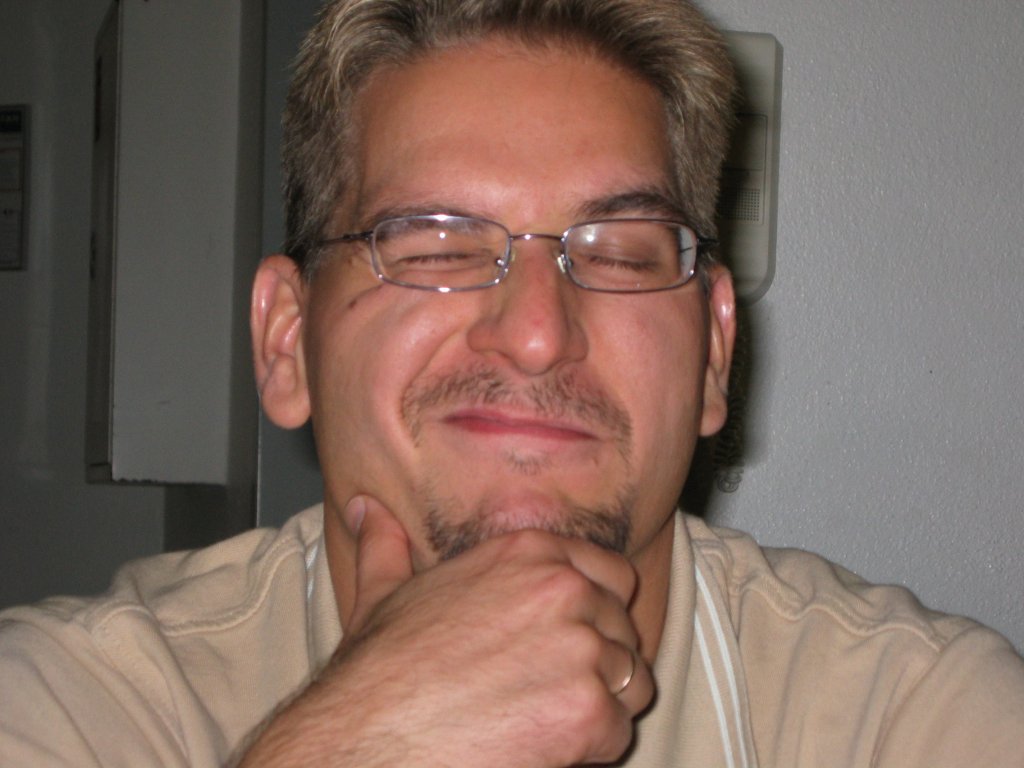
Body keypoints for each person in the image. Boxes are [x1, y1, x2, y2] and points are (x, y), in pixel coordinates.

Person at [2, 0, 1023, 765]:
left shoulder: (917, 720)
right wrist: (360, 742)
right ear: (286, 342)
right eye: (435, 244)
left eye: (622, 252)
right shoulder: (66, 709)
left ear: (716, 354)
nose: (537, 335)